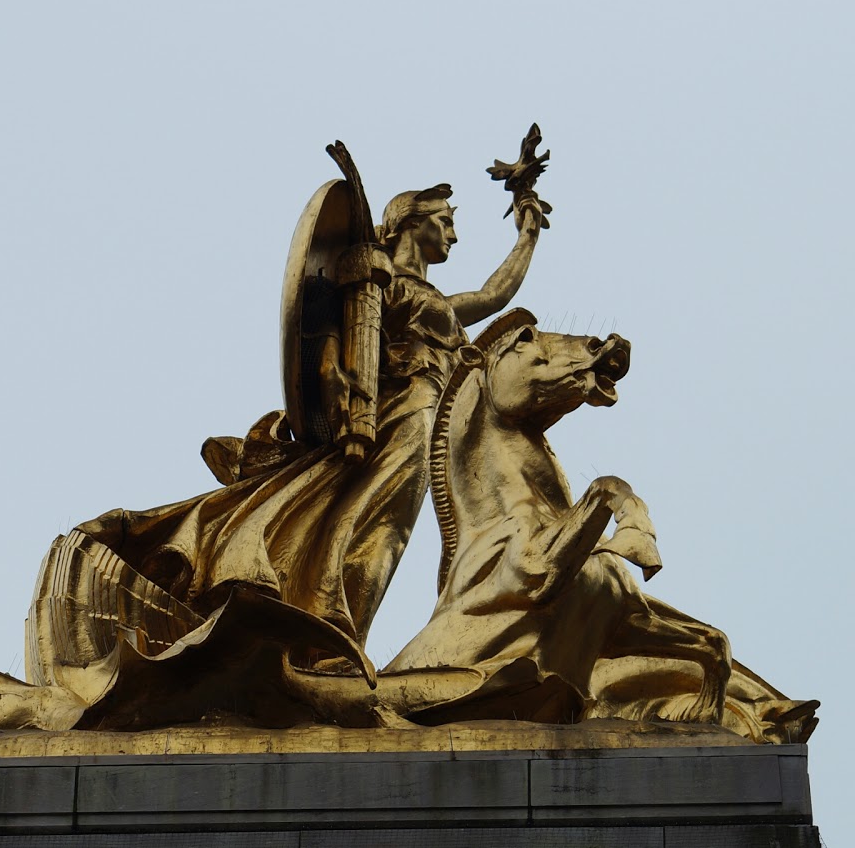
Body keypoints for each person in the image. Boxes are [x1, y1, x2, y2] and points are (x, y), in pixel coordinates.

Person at [74, 184, 547, 668]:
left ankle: (332, 634)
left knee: (374, 521)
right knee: (382, 523)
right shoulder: (379, 280)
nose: (454, 234)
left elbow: (496, 293)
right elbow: (326, 329)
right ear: (410, 221)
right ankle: (335, 642)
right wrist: (331, 374)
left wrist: (526, 229)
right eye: (444, 220)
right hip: (404, 407)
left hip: (419, 412)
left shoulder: (430, 298)